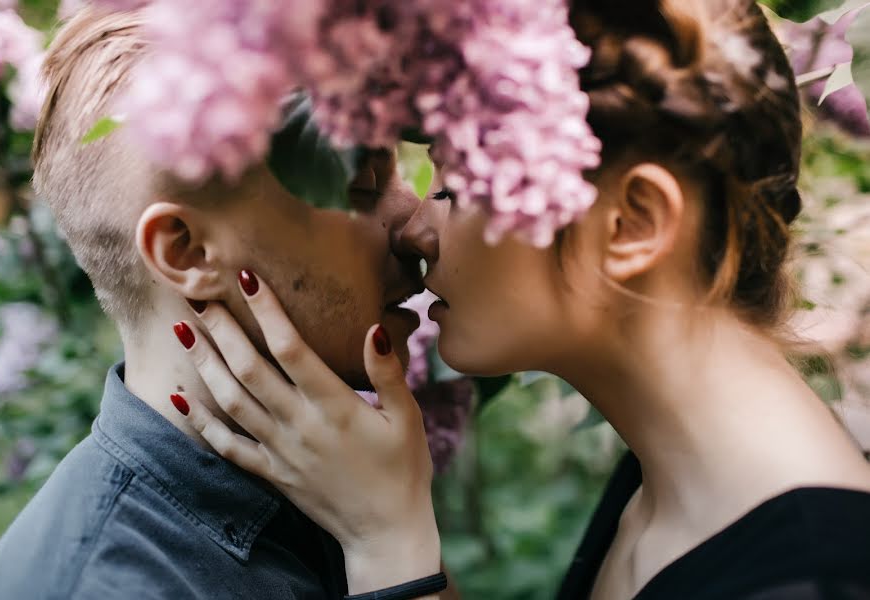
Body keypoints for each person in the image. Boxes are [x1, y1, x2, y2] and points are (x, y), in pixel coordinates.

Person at [170, 1, 870, 599]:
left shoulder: (818, 575)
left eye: (453, 183)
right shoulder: (669, 486)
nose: (417, 229)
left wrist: (389, 544)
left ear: (632, 224)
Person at [0, 6, 426, 600]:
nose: (414, 221)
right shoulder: (108, 588)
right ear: (186, 252)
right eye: (363, 185)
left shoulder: (353, 477)